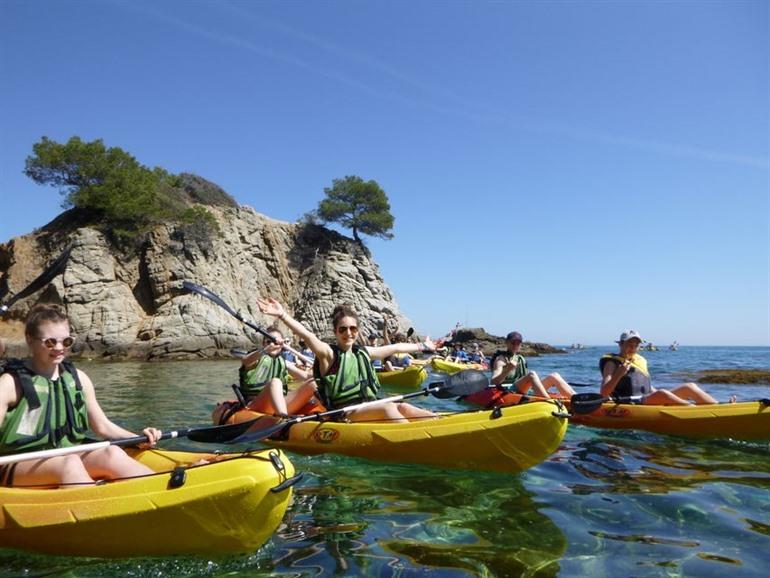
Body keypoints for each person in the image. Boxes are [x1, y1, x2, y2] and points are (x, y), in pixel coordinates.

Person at [0, 304, 162, 487]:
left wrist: (139, 439)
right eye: (50, 342)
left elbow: (103, 427)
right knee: (68, 465)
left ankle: (163, 494)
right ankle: (100, 510)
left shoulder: (78, 379)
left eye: (66, 342)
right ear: (30, 340)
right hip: (12, 463)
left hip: (64, 454)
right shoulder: (9, 384)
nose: (59, 348)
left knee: (112, 453)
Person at [256, 298, 437, 423]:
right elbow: (307, 334)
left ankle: (436, 422)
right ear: (336, 332)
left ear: (357, 331)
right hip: (344, 413)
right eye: (343, 329)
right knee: (389, 409)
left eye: (352, 328)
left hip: (368, 405)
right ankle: (416, 436)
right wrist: (282, 315)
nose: (348, 333)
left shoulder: (363, 352)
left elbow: (396, 348)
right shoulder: (328, 354)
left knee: (403, 406)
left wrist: (423, 346)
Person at [600, 330, 717, 405]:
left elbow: (645, 386)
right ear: (620, 344)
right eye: (629, 344)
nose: (633, 348)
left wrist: (657, 395)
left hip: (645, 398)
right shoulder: (612, 363)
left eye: (636, 345)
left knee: (689, 387)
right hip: (628, 402)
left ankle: (718, 407)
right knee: (663, 393)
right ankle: (694, 411)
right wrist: (619, 374)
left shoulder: (639, 361)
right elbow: (604, 392)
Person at [239, 326, 317, 416]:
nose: (273, 345)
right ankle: (283, 418)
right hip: (256, 405)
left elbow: (306, 376)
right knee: (275, 382)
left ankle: (329, 411)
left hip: (280, 404)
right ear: (263, 344)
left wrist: (325, 372)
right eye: (269, 342)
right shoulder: (256, 358)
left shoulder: (283, 362)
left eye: (276, 342)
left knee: (313, 383)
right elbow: (245, 360)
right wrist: (266, 349)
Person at [490, 331, 575, 398]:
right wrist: (508, 369)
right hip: (508, 391)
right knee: (532, 375)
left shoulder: (519, 358)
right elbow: (494, 382)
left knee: (554, 376)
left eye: (518, 343)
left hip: (524, 389)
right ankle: (550, 403)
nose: (515, 345)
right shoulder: (501, 359)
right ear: (507, 343)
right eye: (513, 343)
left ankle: (577, 399)